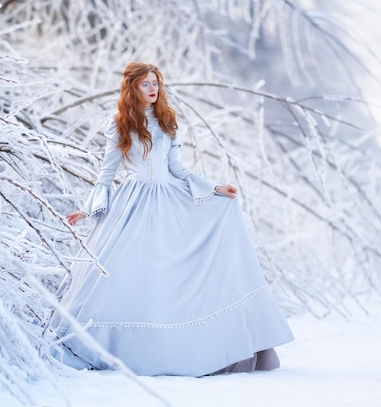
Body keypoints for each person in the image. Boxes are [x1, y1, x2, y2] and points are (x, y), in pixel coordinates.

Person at [50, 62, 293, 376]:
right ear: (132, 88)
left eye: (156, 83)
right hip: (134, 204)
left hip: (169, 199)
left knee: (168, 273)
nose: (153, 89)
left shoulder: (167, 122)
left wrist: (215, 188)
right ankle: (107, 347)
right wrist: (88, 208)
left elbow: (178, 169)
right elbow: (107, 173)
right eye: (146, 84)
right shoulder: (120, 124)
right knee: (129, 273)